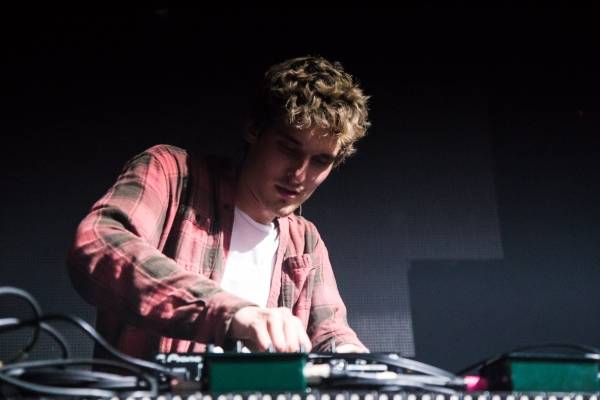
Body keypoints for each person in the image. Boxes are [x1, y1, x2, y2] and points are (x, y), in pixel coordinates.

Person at [67, 55, 371, 359]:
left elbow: (330, 332)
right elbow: (98, 244)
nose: (299, 174)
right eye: (288, 149)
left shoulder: (305, 240)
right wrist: (232, 312)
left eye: (320, 161)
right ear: (254, 129)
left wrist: (358, 361)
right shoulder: (172, 174)